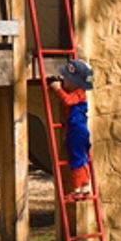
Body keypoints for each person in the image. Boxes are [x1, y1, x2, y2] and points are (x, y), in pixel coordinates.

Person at [49, 59, 95, 197]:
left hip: (77, 130)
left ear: (75, 83)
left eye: (66, 80)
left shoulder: (79, 93)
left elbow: (67, 101)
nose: (64, 82)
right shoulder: (80, 92)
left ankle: (77, 188)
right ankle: (85, 186)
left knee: (76, 159)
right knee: (81, 158)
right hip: (78, 129)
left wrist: (57, 89)